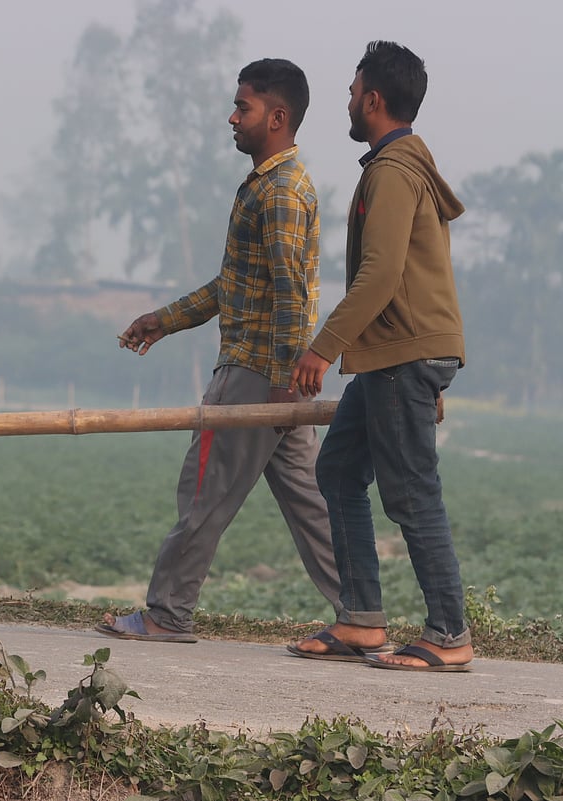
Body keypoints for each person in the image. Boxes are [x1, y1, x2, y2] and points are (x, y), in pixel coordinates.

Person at [98, 58, 348, 644]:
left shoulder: (281, 191)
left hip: (256, 378)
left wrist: (283, 381)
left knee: (204, 493)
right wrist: (165, 319)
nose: (232, 117)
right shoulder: (270, 186)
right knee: (313, 507)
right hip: (274, 377)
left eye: (244, 107)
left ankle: (167, 613)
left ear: (277, 117)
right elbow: (232, 285)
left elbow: (290, 292)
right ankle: (361, 614)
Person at [287, 41, 471, 672]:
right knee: (337, 473)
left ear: (372, 99)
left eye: (351, 90)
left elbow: (382, 275)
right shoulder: (400, 166)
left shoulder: (392, 172)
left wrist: (322, 348)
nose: (347, 101)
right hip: (399, 353)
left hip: (400, 355)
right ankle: (361, 620)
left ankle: (449, 632)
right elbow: (419, 274)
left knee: (413, 493)